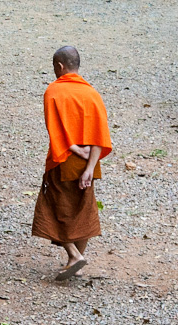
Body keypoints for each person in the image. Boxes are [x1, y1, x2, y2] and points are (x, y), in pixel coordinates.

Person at [32, 46, 112, 281]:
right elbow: (100, 135)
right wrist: (88, 167)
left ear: (59, 66)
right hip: (90, 162)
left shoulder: (54, 92)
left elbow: (55, 131)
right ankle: (74, 261)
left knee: (53, 209)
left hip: (63, 161)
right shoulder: (92, 94)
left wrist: (73, 148)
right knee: (83, 210)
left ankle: (74, 255)